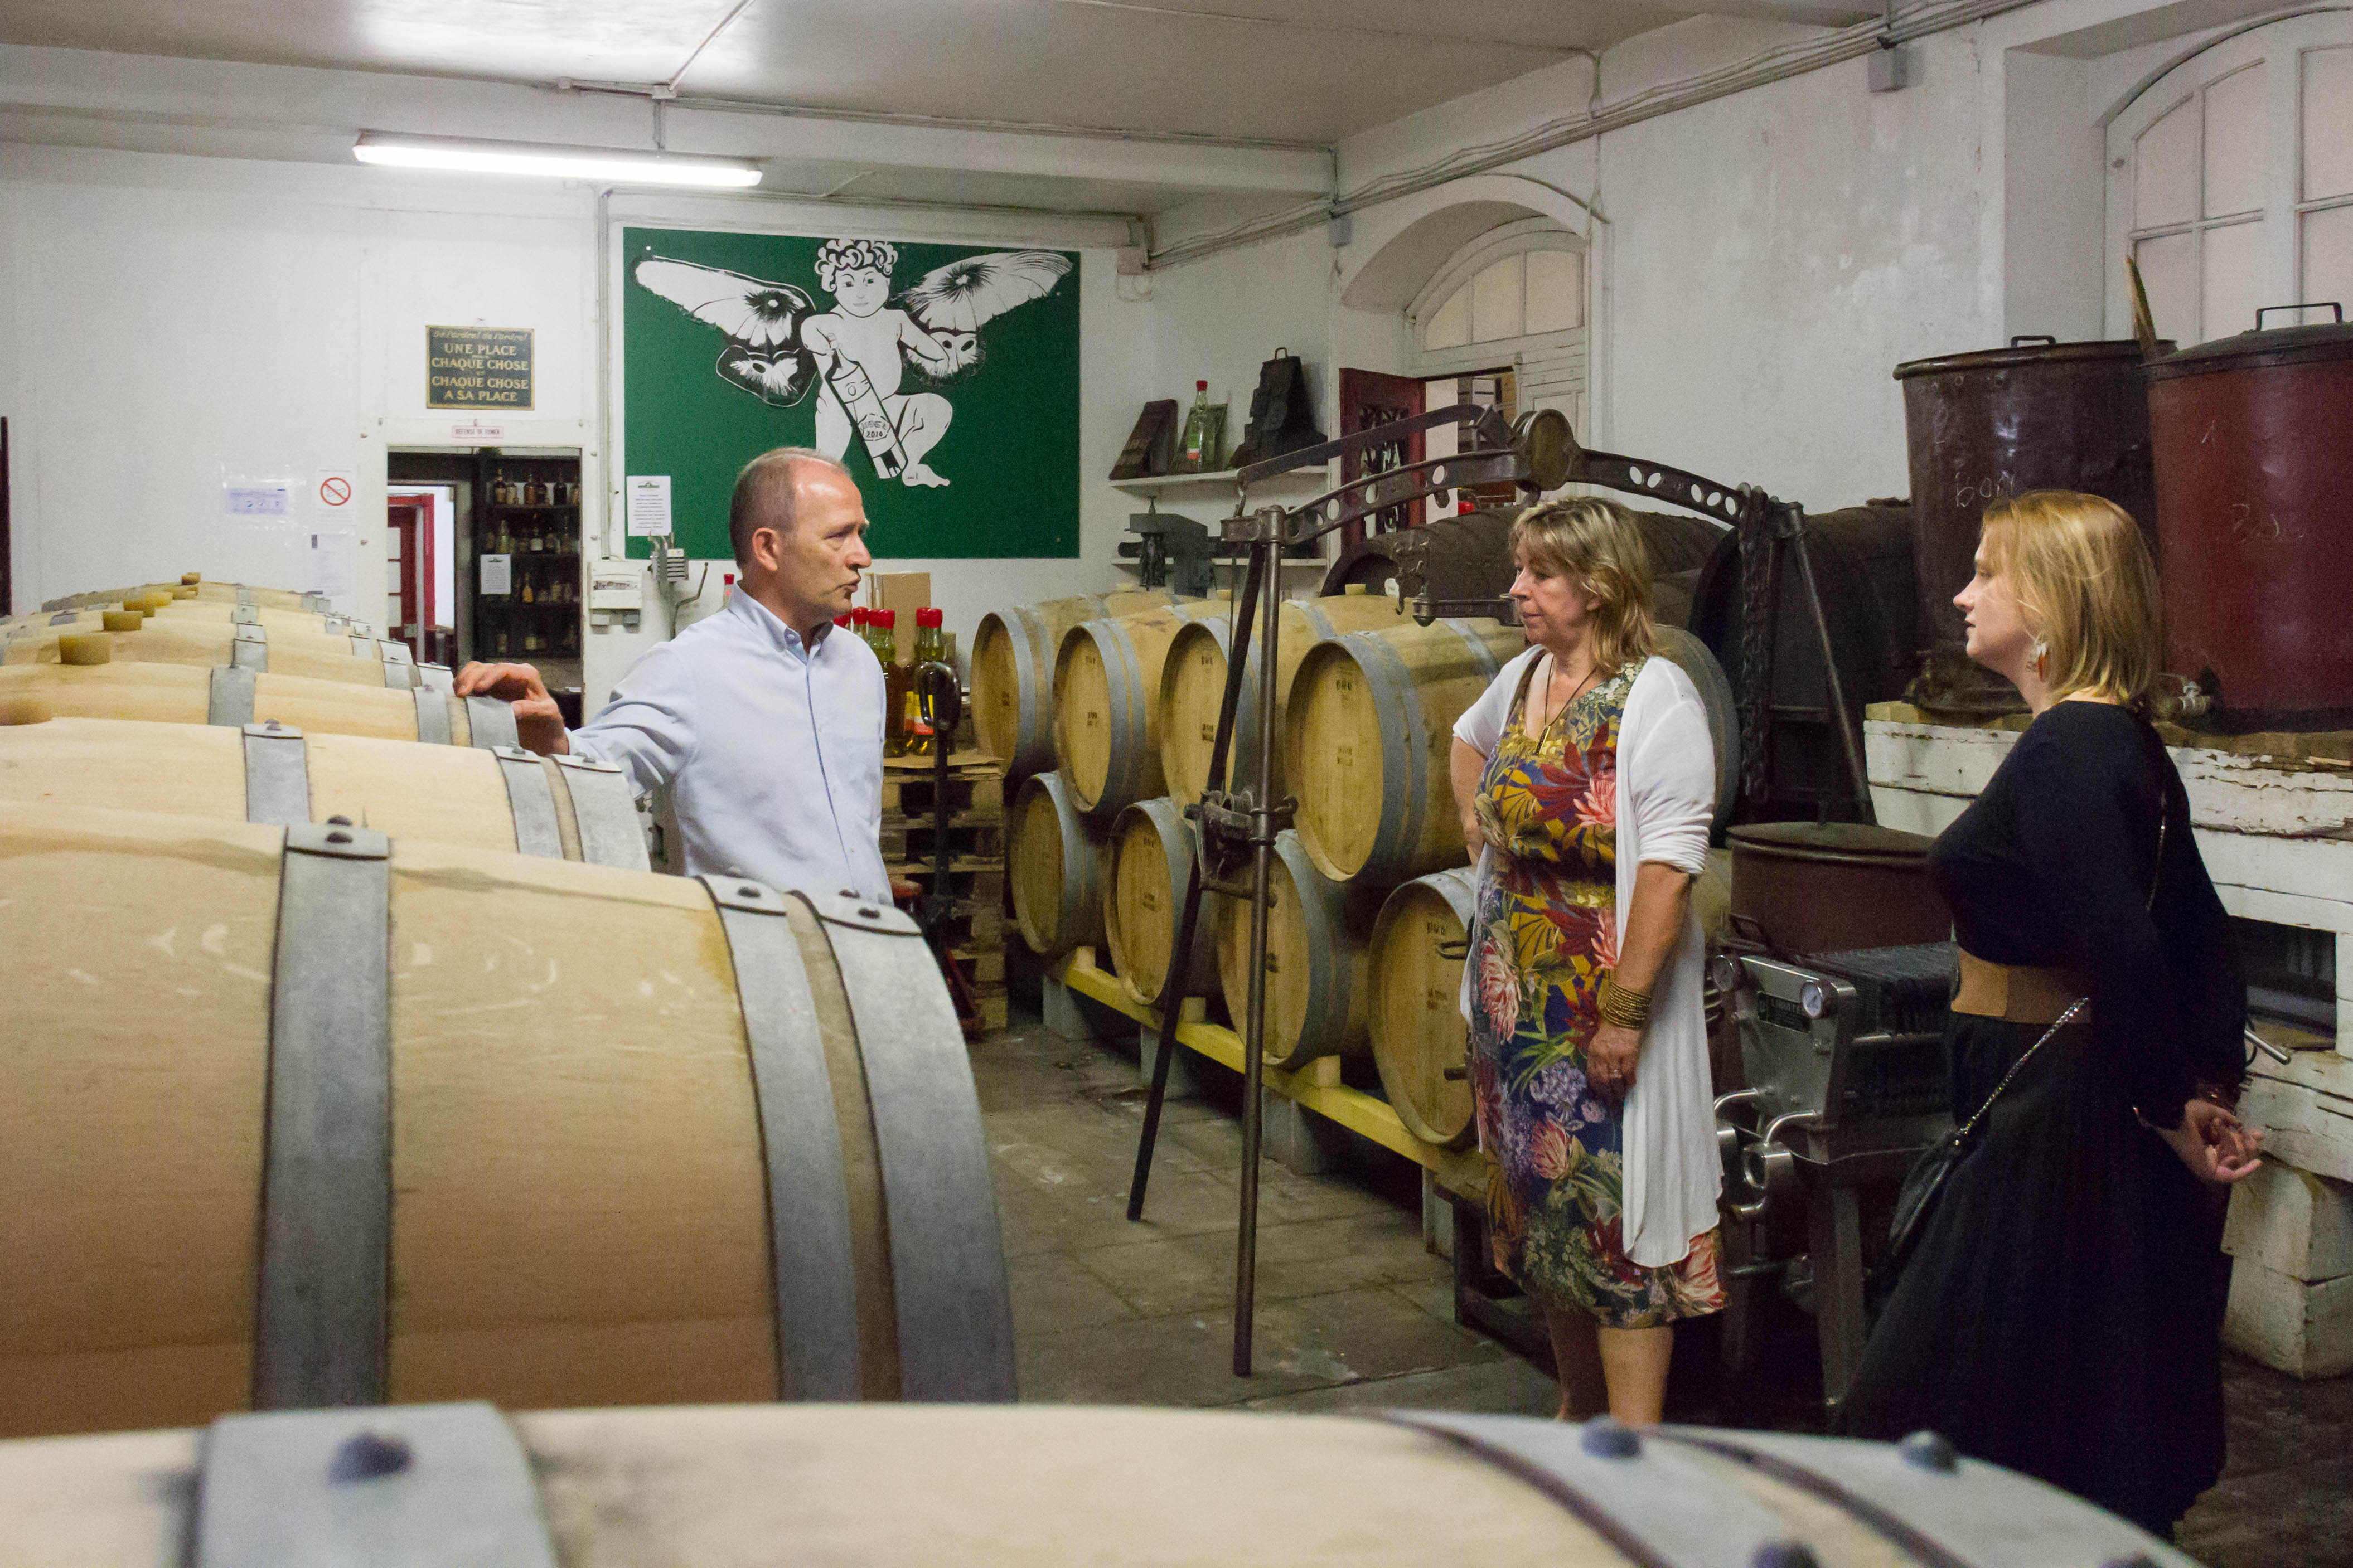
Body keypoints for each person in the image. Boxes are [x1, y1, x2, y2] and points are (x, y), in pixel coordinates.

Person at [1838, 491, 2263, 1536]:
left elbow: (2128, 945)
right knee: (2062, 1396)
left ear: (2057, 603)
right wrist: (2200, 1084)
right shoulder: (2119, 739)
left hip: (2052, 1112)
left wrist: (2175, 1107)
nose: (1961, 591)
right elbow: (2201, 932)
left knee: (1920, 1397)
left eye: (1989, 571)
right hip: (2064, 1094)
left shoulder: (2072, 745)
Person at [1449, 496, 1723, 1425]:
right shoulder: (1527, 674)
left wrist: (1626, 1011)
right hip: (1517, 1014)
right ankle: (1577, 1409)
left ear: (1599, 587)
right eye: (1520, 568)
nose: (1517, 588)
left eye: (1540, 572)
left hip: (1597, 1010)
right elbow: (1464, 740)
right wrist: (1472, 825)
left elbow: (1669, 868)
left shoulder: (1658, 696)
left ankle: (1636, 1445)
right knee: (1548, 1224)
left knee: (1618, 1227)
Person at [454, 446, 892, 902]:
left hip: (875, 954)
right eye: (839, 535)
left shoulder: (860, 665)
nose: (862, 555)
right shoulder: (689, 668)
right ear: (768, 548)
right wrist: (552, 741)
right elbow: (596, 765)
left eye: (861, 533)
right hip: (765, 959)